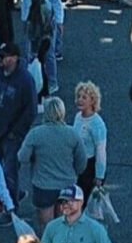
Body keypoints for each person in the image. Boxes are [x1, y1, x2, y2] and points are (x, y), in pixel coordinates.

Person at [18, 97, 86, 228]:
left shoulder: (36, 134)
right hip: (66, 185)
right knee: (64, 224)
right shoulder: (73, 134)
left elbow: (22, 157)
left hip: (43, 186)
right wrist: (74, 172)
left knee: (47, 226)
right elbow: (82, 162)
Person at [0, 43, 40, 200]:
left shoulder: (25, 80)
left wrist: (16, 132)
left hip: (12, 136)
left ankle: (12, 207)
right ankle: (10, 195)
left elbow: (31, 110)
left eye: (3, 56)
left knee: (10, 172)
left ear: (14, 58)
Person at [71, 81, 108, 204]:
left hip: (89, 167)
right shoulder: (78, 117)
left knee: (82, 202)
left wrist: (99, 176)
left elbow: (101, 151)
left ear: (92, 101)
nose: (79, 100)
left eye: (84, 97)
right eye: (78, 96)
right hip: (77, 164)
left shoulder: (97, 124)